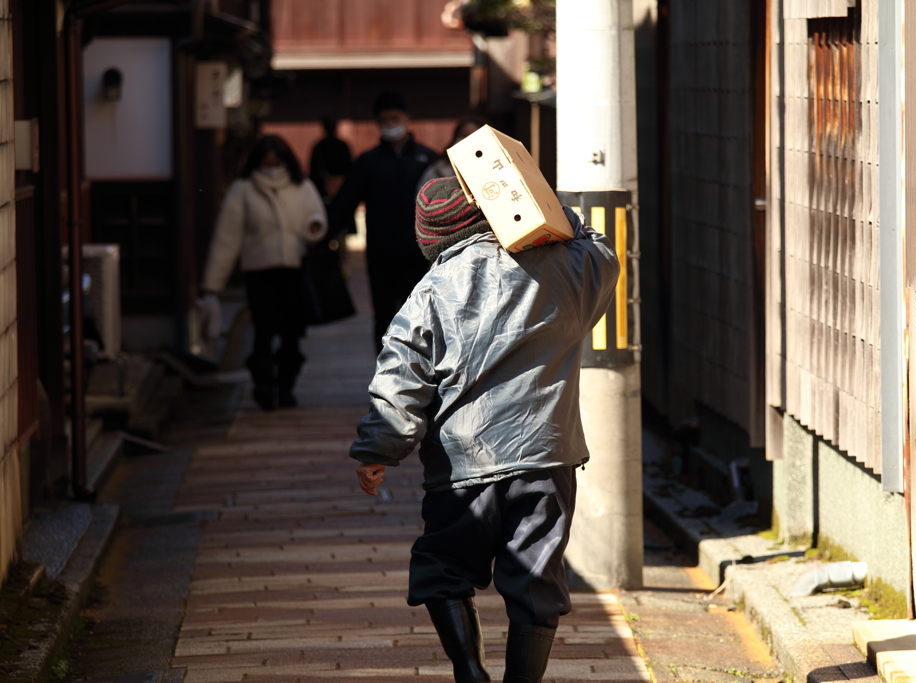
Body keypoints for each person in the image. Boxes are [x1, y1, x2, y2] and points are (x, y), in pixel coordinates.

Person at [349, 177, 619, 683]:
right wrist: (546, 205)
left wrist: (379, 448)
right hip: (546, 456)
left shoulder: (431, 290)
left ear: (431, 239)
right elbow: (602, 252)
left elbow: (400, 376)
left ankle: (470, 670)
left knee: (444, 564)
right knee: (535, 576)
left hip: (461, 465)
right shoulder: (564, 270)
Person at [202, 135, 327, 411]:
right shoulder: (243, 190)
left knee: (292, 335)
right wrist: (213, 284)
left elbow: (316, 217)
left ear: (287, 161)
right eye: (266, 162)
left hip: (294, 270)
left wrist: (314, 228)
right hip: (259, 273)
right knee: (264, 332)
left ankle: (285, 388)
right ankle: (263, 386)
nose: (272, 167)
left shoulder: (302, 187)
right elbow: (227, 239)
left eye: (277, 161)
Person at [328, 90, 437, 354]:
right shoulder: (368, 162)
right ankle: (387, 380)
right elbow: (344, 204)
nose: (390, 124)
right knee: (384, 319)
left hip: (420, 253)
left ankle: (424, 381)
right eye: (384, 120)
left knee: (422, 319)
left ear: (406, 118)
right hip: (381, 255)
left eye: (394, 118)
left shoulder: (428, 159)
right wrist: (321, 232)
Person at [417, 114, 488, 189]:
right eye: (464, 135)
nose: (467, 141)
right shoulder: (438, 170)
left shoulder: (493, 171)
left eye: (474, 136)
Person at [309, 114, 352, 201]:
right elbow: (350, 167)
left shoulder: (319, 146)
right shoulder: (342, 145)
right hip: (341, 186)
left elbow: (313, 170)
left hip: (324, 187)